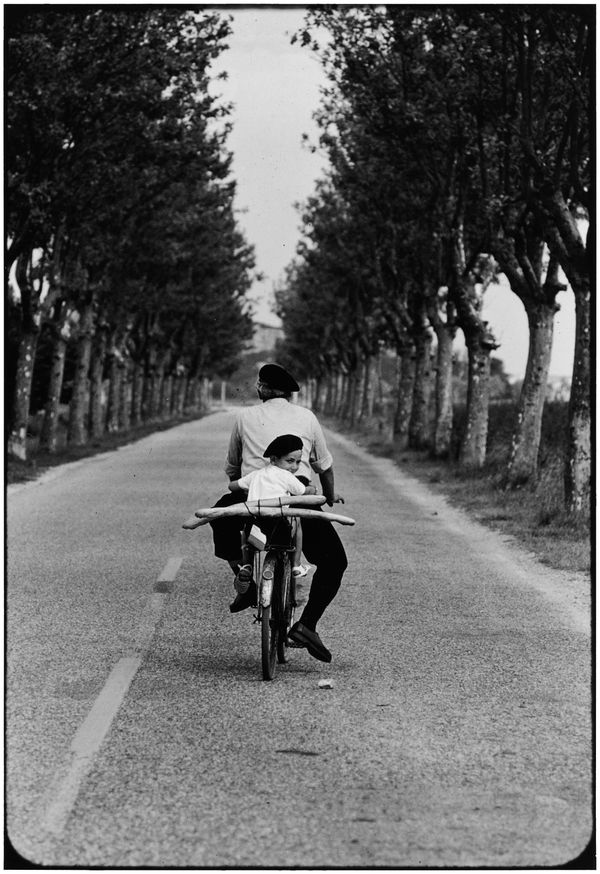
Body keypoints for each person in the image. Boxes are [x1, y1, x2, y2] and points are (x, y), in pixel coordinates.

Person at [210, 363, 347, 663]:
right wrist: (329, 495)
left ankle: (245, 580)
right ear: (289, 394)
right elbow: (324, 465)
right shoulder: (307, 417)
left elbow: (233, 467)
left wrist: (246, 484)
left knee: (220, 519)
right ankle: (307, 626)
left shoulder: (245, 417)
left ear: (261, 389)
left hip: (253, 499)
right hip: (295, 500)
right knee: (335, 562)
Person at [227, 433, 317, 593]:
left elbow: (232, 486)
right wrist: (313, 489)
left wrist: (248, 485)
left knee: (245, 530)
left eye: (297, 462)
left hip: (255, 525)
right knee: (296, 519)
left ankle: (247, 565)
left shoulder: (256, 474)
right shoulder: (287, 476)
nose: (295, 467)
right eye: (290, 461)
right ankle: (296, 564)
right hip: (279, 526)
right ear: (273, 459)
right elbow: (303, 492)